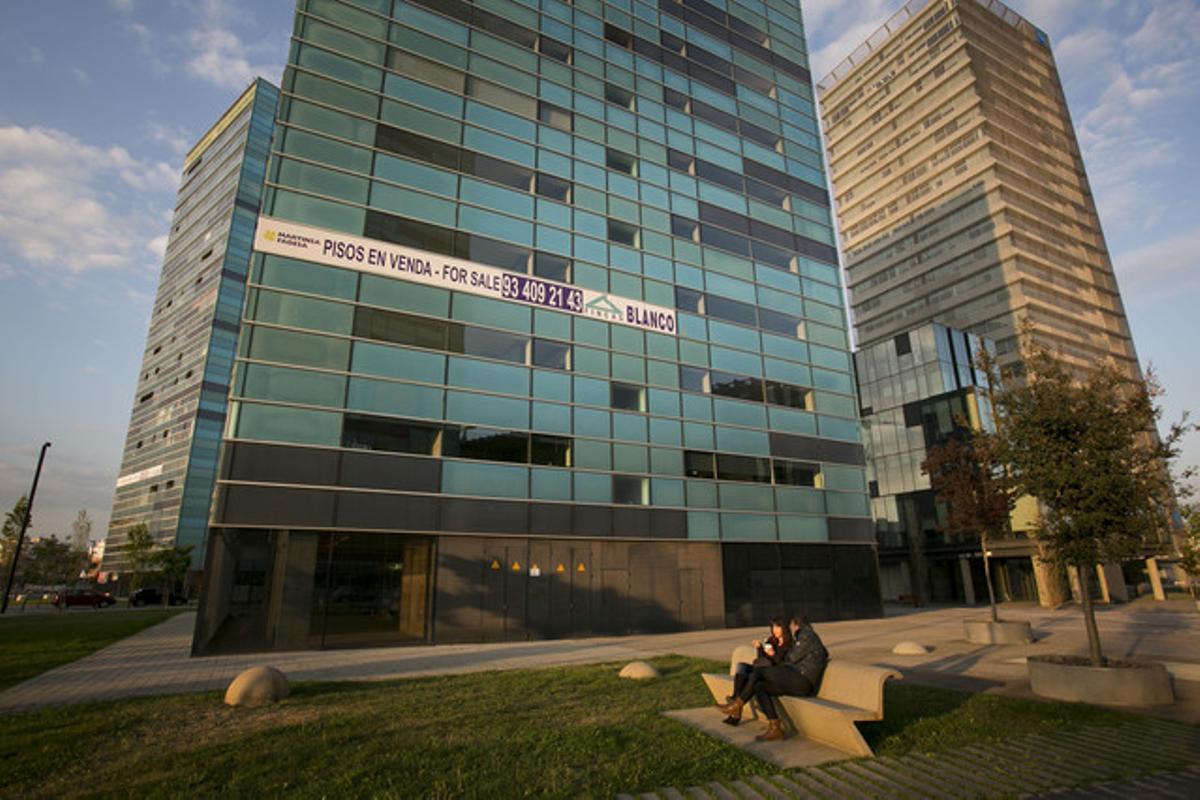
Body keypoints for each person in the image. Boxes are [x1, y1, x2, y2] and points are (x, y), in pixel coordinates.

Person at [716, 615, 828, 742]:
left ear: (796, 625)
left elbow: (790, 658)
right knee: (759, 686)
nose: (789, 629)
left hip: (803, 681)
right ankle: (775, 728)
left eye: (788, 626)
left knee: (758, 673)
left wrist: (773, 654)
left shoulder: (807, 636)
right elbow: (786, 660)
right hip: (795, 677)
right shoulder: (802, 636)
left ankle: (737, 705)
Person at [727, 617, 791, 706]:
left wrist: (773, 655)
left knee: (750, 677)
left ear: (784, 628)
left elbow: (782, 663)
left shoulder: (788, 644)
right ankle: (736, 697)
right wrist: (759, 648)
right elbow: (762, 659)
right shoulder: (771, 640)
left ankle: (736, 704)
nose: (774, 630)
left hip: (773, 672)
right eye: (773, 627)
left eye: (777, 627)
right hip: (762, 668)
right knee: (742, 666)